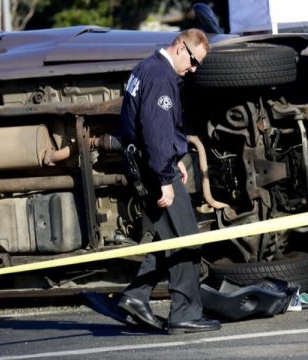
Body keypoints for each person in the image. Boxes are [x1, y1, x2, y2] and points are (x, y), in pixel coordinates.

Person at [118, 28, 221, 335]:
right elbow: (154, 130)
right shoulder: (161, 77)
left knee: (168, 238)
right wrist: (165, 176)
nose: (194, 69)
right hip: (154, 171)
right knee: (187, 239)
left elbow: (151, 125)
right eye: (194, 61)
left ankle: (136, 297)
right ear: (180, 49)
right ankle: (184, 313)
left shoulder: (147, 67)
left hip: (148, 165)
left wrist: (175, 157)